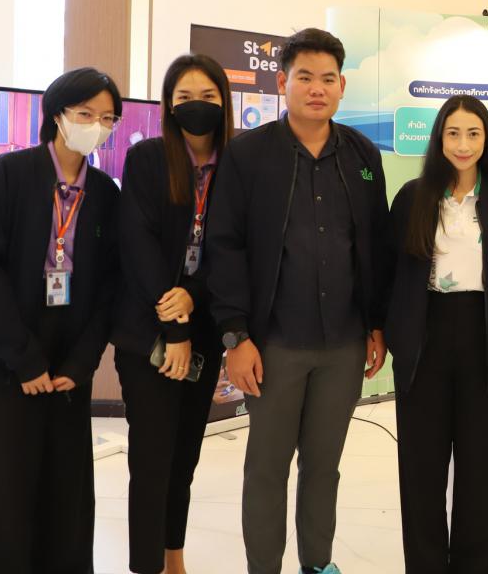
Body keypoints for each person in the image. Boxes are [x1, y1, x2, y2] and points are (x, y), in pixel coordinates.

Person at [205, 28, 392, 574]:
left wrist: (376, 324)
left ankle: (319, 564)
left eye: (328, 79)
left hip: (343, 344)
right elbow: (225, 247)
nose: (317, 88)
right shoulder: (248, 154)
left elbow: (374, 245)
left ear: (342, 86)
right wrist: (236, 336)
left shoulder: (361, 154)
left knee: (324, 467)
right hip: (273, 345)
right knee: (267, 467)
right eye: (304, 77)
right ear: (282, 82)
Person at [0, 67, 123, 574]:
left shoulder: (106, 192)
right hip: (11, 357)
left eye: (107, 119)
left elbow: (110, 286)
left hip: (70, 360)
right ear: (57, 114)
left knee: (66, 492)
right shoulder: (7, 175)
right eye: (85, 114)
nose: (96, 126)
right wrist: (25, 359)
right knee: (5, 490)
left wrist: (82, 361)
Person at [387, 95, 488, 574]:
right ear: (439, 138)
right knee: (422, 470)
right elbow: (392, 273)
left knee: (481, 470)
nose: (463, 144)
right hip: (423, 338)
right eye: (453, 133)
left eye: (473, 133)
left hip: (484, 339)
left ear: (486, 139)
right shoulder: (413, 196)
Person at [111, 54, 234, 574]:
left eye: (207, 96)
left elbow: (234, 247)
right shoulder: (147, 158)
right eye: (184, 97)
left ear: (224, 102)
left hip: (202, 331)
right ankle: (146, 566)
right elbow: (137, 246)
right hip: (149, 333)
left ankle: (173, 558)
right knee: (151, 460)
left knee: (184, 456)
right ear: (168, 104)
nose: (196, 106)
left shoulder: (237, 164)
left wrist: (194, 296)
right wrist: (174, 319)